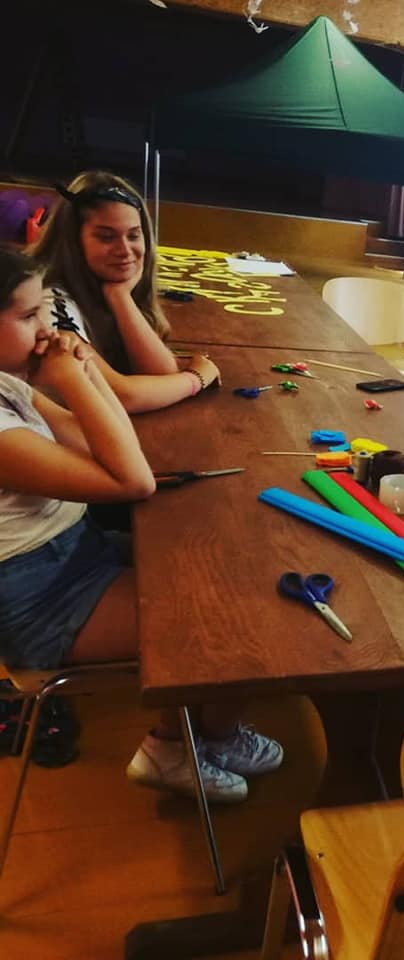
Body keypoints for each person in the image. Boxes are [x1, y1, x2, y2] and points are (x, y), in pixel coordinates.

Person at [0, 246, 281, 803]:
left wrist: (85, 372)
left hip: (76, 551)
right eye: (29, 315)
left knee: (238, 565)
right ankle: (168, 748)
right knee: (235, 618)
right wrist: (74, 381)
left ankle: (213, 733)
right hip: (37, 597)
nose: (46, 330)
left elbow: (102, 445)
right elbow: (134, 482)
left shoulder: (8, 382)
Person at [31, 170, 220, 413]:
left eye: (133, 235)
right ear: (73, 242)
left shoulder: (109, 287)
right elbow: (117, 396)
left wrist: (120, 297)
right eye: (106, 237)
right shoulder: (49, 299)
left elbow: (160, 373)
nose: (125, 250)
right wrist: (196, 378)